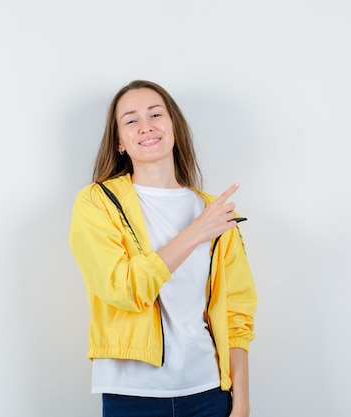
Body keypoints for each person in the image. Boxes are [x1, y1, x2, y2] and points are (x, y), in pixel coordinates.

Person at [68, 80, 257, 417]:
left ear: (174, 127)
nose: (146, 126)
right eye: (131, 120)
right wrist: (196, 232)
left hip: (209, 393)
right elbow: (123, 288)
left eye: (156, 114)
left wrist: (240, 404)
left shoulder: (215, 211)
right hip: (131, 396)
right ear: (119, 142)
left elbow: (235, 317)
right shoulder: (98, 202)